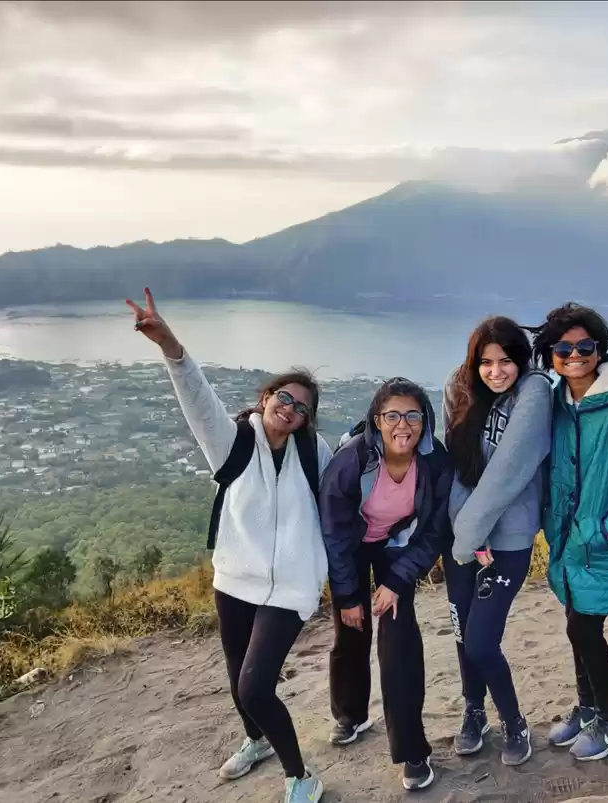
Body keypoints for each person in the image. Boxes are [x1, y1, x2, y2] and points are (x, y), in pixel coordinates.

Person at [127, 288, 332, 803]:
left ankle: (301, 777)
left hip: (291, 586)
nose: (290, 408)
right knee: (235, 671)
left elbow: (349, 498)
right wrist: (171, 346)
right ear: (265, 399)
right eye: (283, 398)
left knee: (254, 686)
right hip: (235, 580)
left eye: (302, 407)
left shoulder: (316, 454)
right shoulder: (233, 441)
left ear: (308, 420)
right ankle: (256, 740)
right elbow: (198, 399)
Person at [529, 303, 608, 762]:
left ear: (599, 350)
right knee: (574, 626)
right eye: (563, 348)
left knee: (586, 630)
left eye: (585, 346)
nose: (575, 355)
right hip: (568, 543)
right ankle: (587, 709)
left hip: (605, 542)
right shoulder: (557, 404)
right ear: (550, 354)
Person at [320, 377, 453, 793]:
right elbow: (334, 531)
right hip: (353, 546)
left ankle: (412, 749)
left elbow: (434, 531)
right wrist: (346, 595)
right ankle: (350, 714)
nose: (403, 424)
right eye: (392, 415)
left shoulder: (434, 463)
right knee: (352, 629)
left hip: (399, 546)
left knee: (399, 645)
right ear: (376, 420)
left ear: (425, 420)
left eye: (413, 414)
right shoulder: (352, 461)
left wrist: (397, 580)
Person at [442, 316, 552, 766]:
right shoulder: (467, 395)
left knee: (483, 641)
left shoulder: (533, 393)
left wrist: (470, 539)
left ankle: (514, 721)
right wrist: (466, 534)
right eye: (485, 362)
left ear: (520, 360)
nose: (495, 371)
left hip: (504, 541)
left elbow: (506, 473)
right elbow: (460, 472)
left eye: (505, 360)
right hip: (465, 538)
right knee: (462, 637)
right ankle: (474, 711)